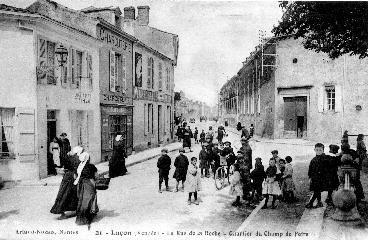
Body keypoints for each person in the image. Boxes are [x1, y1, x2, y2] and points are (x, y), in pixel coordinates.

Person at [50, 147, 80, 219]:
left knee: (64, 193)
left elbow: (65, 168)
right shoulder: (78, 158)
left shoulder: (68, 158)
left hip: (68, 176)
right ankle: (76, 209)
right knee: (74, 194)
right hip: (74, 176)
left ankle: (62, 212)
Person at [74, 146, 98, 228]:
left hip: (81, 184)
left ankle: (81, 217)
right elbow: (96, 176)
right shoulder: (91, 166)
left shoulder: (79, 166)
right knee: (90, 198)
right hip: (89, 183)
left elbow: (75, 176)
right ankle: (88, 216)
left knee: (82, 199)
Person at [305, 143, 325, 208]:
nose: (318, 151)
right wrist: (310, 177)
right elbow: (310, 169)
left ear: (323, 150)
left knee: (317, 191)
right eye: (317, 150)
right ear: (314, 150)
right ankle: (319, 202)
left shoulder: (324, 159)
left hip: (321, 178)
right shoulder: (313, 160)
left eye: (320, 150)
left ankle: (311, 202)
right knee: (317, 190)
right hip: (315, 178)